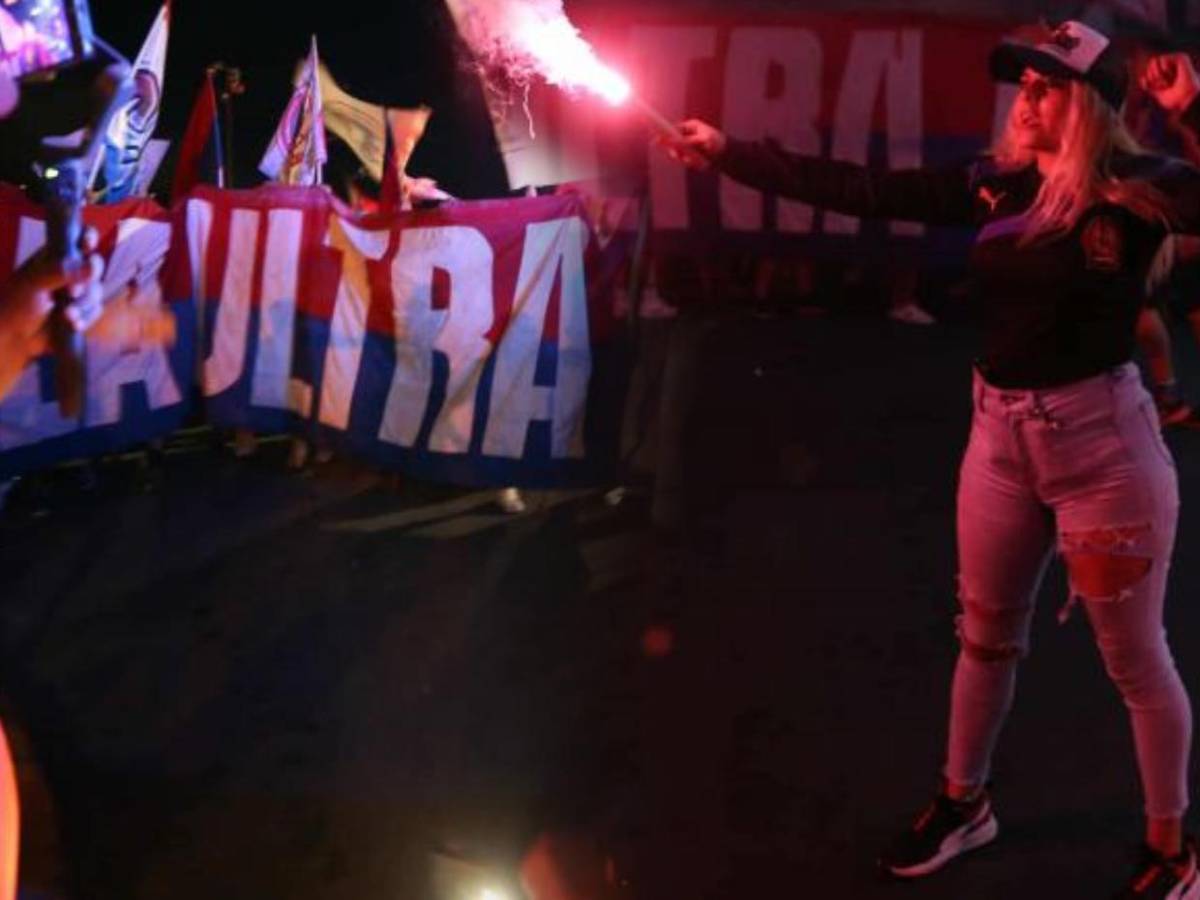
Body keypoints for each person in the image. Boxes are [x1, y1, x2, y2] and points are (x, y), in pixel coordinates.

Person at [662, 19, 1200, 897]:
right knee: (984, 639)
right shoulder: (993, 185)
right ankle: (964, 803)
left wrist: (1193, 110)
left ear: (1094, 106)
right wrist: (728, 152)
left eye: (1046, 86)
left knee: (1136, 662)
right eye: (1020, 83)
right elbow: (865, 189)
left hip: (1103, 450)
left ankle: (1172, 850)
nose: (1024, 99)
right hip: (998, 442)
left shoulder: (1134, 189)